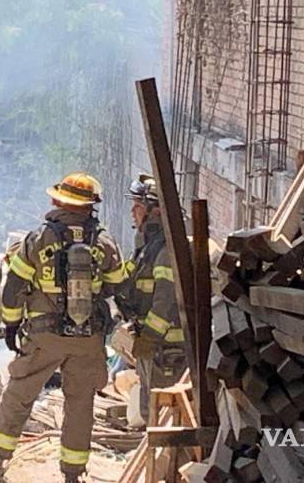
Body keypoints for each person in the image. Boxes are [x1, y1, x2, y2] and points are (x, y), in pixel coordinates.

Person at [0, 172, 130, 482]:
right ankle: (73, 473)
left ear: (57, 200)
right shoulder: (104, 241)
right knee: (80, 404)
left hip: (44, 335)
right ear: (91, 206)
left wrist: (10, 326)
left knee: (19, 394)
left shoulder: (39, 238)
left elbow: (13, 287)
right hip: (88, 338)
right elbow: (118, 286)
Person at [120, 174, 186, 421]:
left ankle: (166, 459)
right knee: (151, 410)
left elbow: (165, 301)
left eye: (138, 206)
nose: (132, 212)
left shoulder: (166, 249)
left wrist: (149, 338)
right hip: (153, 345)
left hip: (167, 347)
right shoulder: (147, 246)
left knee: (164, 414)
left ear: (156, 211)